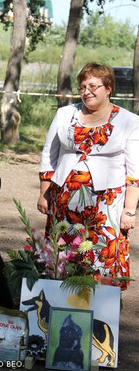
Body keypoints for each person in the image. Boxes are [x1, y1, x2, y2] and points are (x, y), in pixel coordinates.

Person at [37, 62, 139, 290]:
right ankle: (61, 304)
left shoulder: (129, 121)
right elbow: (48, 156)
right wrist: (44, 193)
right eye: (83, 87)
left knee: (101, 257)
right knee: (63, 255)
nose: (87, 91)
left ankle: (102, 312)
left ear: (109, 88)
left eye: (93, 86)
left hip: (106, 204)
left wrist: (129, 210)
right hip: (64, 200)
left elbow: (134, 172)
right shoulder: (65, 114)